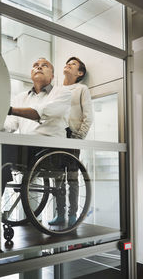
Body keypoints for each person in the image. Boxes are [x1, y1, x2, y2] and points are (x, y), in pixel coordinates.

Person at [2, 58, 71, 194]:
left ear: (52, 76)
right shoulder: (21, 97)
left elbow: (42, 112)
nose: (39, 67)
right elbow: (10, 125)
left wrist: (10, 109)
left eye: (44, 66)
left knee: (2, 153)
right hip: (26, 149)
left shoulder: (62, 93)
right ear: (31, 74)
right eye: (35, 66)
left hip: (49, 150)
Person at [48, 56, 93, 226]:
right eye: (67, 63)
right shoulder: (56, 90)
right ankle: (60, 215)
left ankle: (72, 215)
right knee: (57, 178)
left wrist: (78, 138)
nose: (68, 64)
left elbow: (88, 117)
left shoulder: (81, 89)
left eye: (73, 64)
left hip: (73, 136)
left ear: (79, 73)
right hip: (56, 136)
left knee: (72, 178)